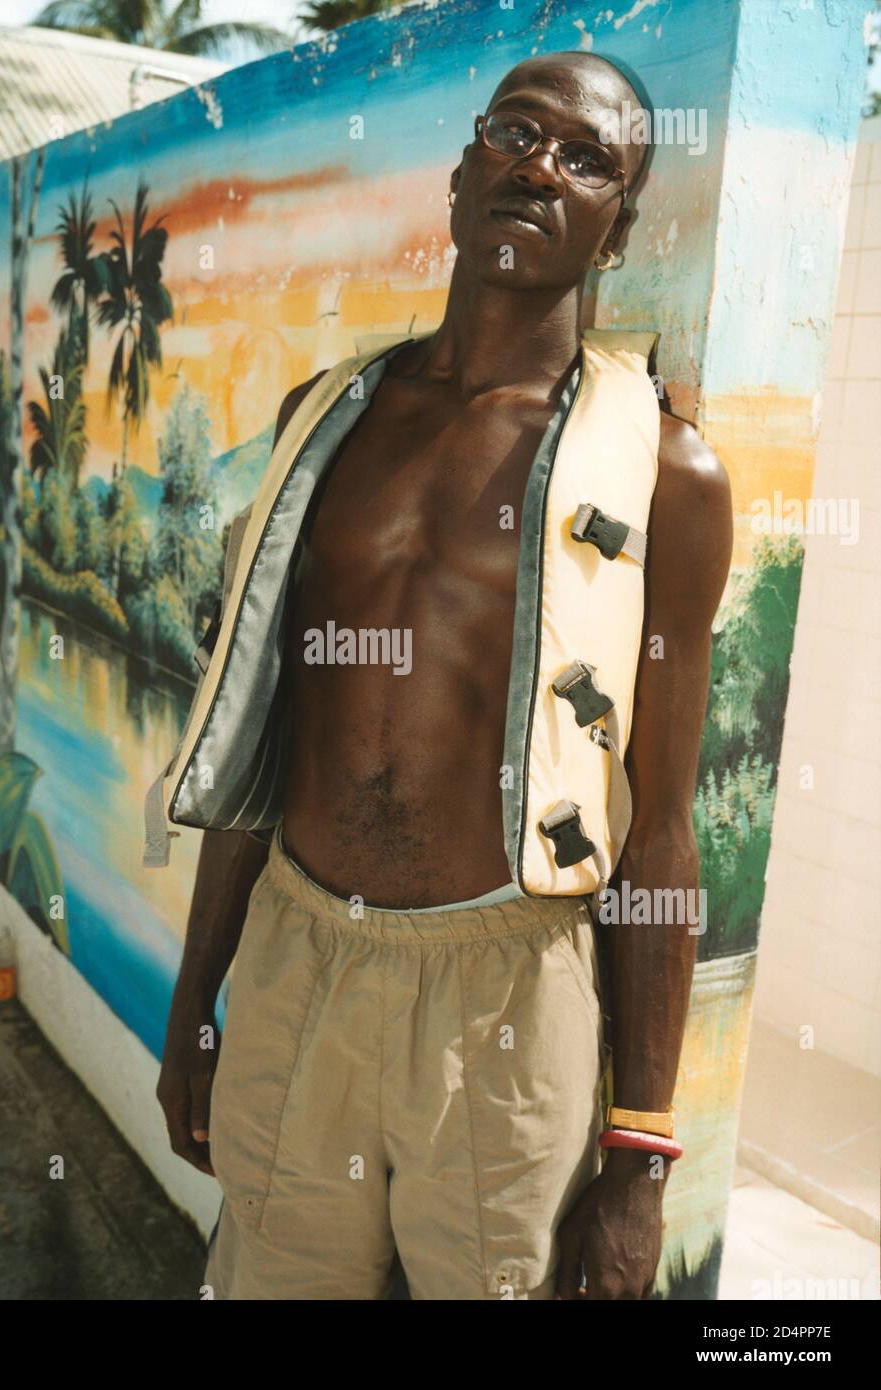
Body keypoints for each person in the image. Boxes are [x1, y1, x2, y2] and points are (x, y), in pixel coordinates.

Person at [155, 49, 732, 1300]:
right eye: (519, 133)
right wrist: (197, 1001)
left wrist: (639, 1156)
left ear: (617, 225)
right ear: (465, 171)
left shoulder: (661, 472)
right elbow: (265, 739)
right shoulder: (329, 420)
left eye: (588, 158)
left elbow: (665, 826)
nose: (541, 164)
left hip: (508, 998)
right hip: (298, 963)